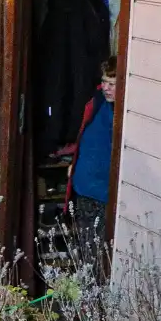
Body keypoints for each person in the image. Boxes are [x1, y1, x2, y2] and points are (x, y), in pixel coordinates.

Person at [66, 56, 117, 256]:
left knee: (101, 253)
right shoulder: (96, 103)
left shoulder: (122, 114)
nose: (106, 88)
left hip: (105, 193)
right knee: (86, 248)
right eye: (104, 81)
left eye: (112, 84)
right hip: (84, 187)